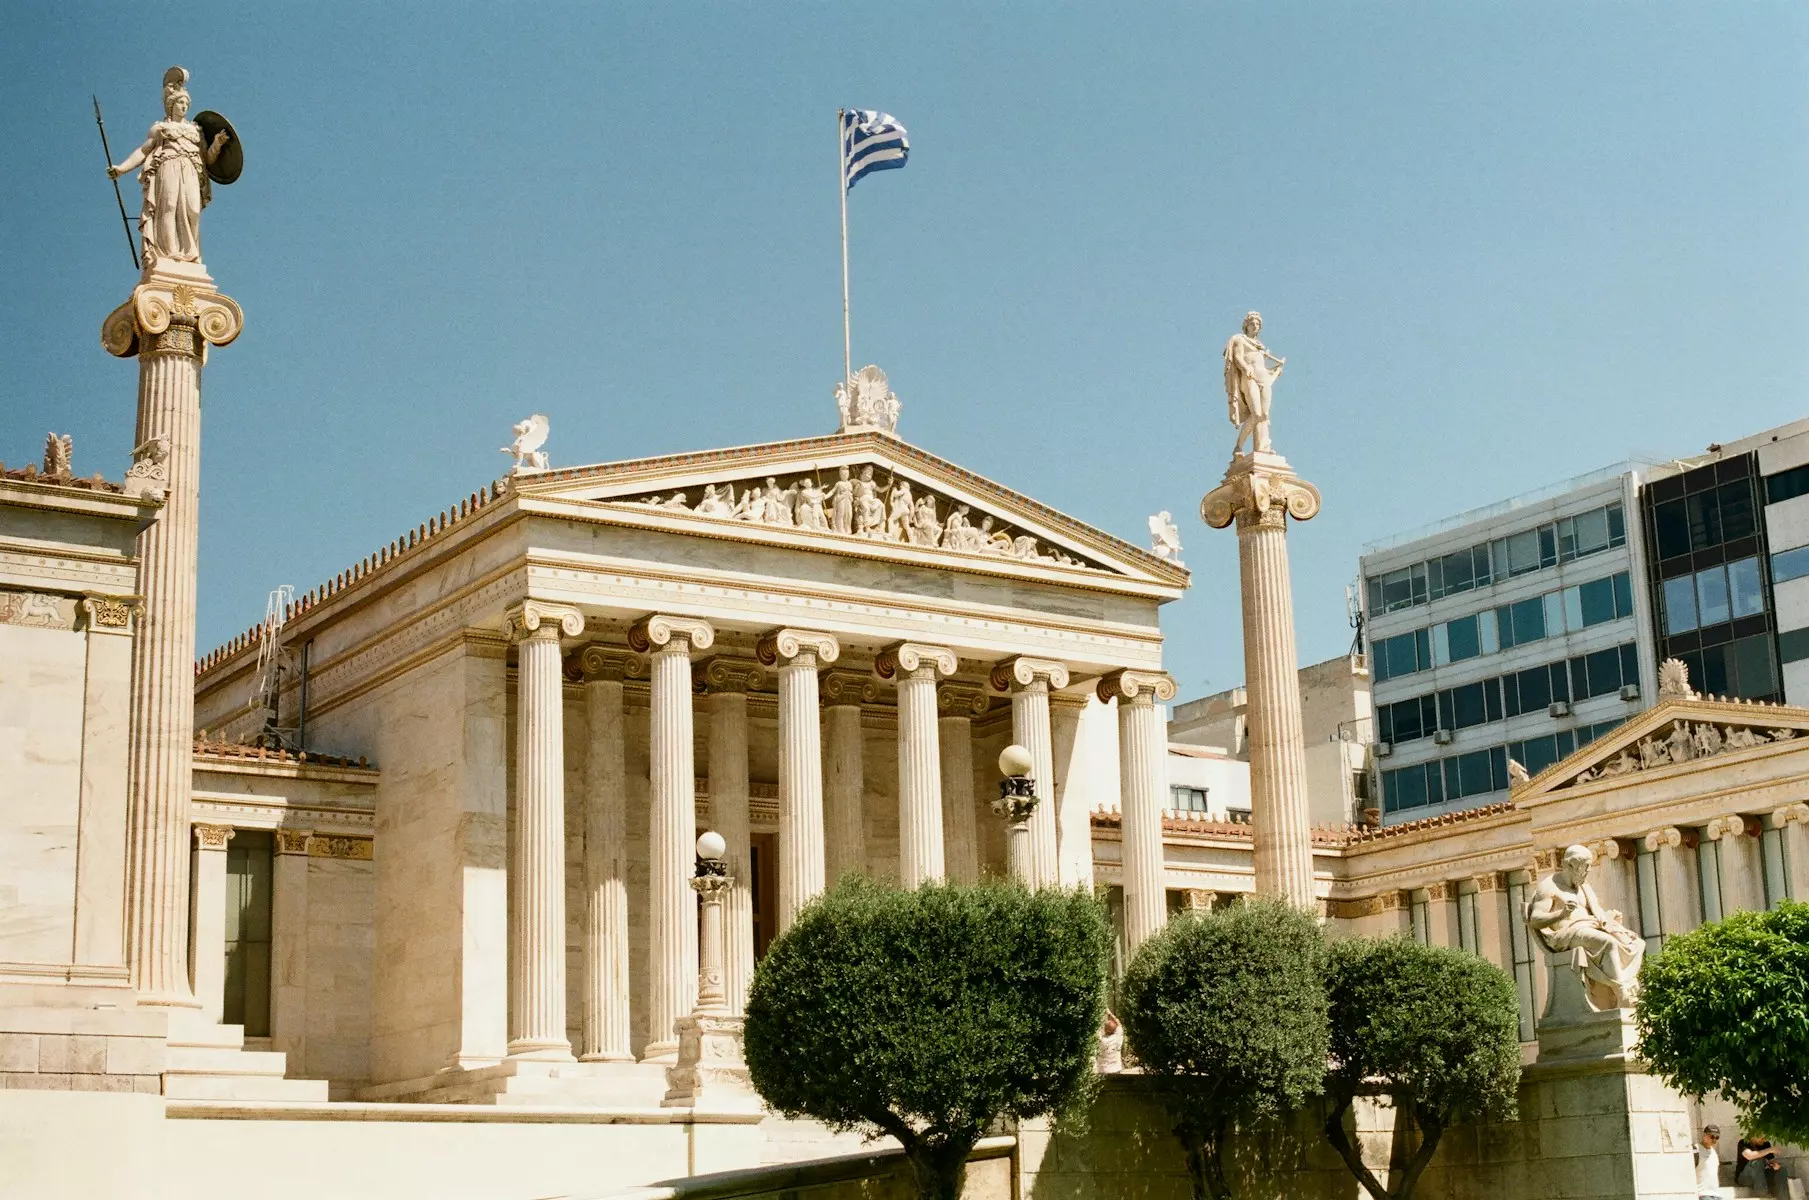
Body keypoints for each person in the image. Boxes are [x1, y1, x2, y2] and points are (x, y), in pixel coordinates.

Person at [108, 67, 231, 267]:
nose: (184, 107)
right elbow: (143, 151)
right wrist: (122, 169)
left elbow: (207, 159)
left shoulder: (195, 130)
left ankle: (191, 254)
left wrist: (217, 143)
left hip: (191, 169)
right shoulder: (161, 129)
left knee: (193, 209)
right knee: (169, 206)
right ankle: (169, 252)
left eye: (186, 103)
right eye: (180, 103)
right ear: (171, 105)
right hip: (168, 165)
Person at [1697, 1125, 1722, 1200]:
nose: (1714, 1140)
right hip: (1703, 1194)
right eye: (1712, 1136)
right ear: (1704, 1135)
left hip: (1716, 1195)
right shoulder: (1696, 1149)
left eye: (1717, 1137)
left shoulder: (1714, 1153)